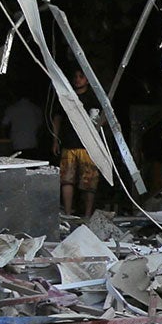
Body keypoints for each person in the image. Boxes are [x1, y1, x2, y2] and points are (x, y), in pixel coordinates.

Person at [52, 70, 102, 217]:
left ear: (87, 80)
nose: (78, 80)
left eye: (81, 77)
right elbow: (57, 119)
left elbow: (104, 118)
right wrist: (55, 140)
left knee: (89, 182)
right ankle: (68, 213)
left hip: (89, 146)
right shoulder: (68, 98)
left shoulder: (93, 98)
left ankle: (87, 215)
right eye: (76, 76)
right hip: (69, 144)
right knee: (66, 180)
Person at [2, 92, 45, 159]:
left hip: (17, 144)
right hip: (32, 143)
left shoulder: (12, 109)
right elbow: (40, 125)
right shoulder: (35, 109)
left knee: (19, 166)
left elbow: (4, 124)